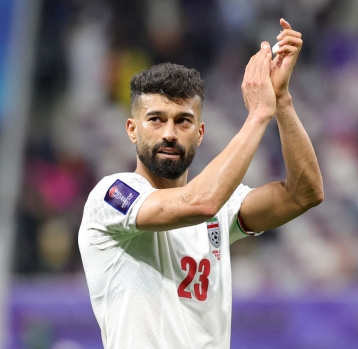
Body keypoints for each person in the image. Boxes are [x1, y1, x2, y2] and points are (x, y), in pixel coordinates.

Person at [78, 18, 323, 348]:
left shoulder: (221, 202)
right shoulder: (111, 195)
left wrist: (281, 102)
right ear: (132, 130)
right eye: (155, 120)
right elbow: (198, 204)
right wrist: (258, 115)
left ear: (200, 133)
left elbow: (304, 194)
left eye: (183, 121)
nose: (169, 133)